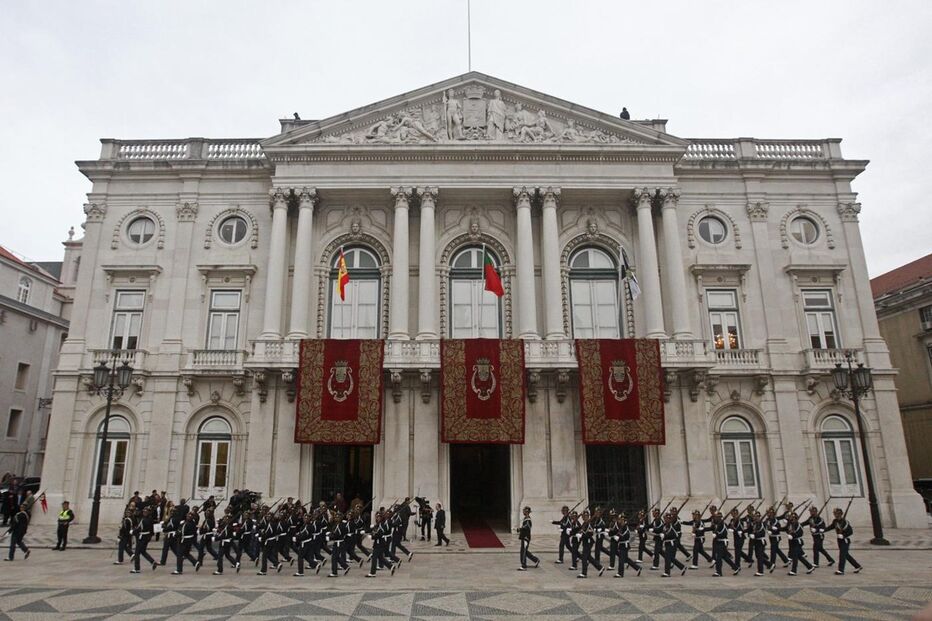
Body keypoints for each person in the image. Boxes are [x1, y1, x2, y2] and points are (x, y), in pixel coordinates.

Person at [831, 507, 862, 575]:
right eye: (835, 513)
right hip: (839, 540)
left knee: (842, 555)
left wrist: (843, 535)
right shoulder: (835, 521)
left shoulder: (845, 522)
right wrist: (821, 530)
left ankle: (841, 570)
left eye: (837, 513)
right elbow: (830, 527)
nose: (835, 515)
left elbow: (850, 532)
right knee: (846, 555)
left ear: (840, 514)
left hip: (845, 540)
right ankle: (857, 566)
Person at [575, 511, 604, 578]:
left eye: (585, 516)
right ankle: (600, 567)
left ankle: (584, 573)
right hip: (585, 542)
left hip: (588, 542)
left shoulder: (589, 524)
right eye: (583, 517)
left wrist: (581, 536)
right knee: (589, 557)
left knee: (584, 557)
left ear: (588, 516)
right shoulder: (584, 523)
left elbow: (590, 534)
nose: (584, 518)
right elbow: (580, 530)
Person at [611, 514, 641, 578]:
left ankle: (620, 573)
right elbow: (615, 532)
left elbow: (626, 536)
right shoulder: (621, 527)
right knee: (626, 559)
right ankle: (637, 568)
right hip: (621, 545)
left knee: (621, 559)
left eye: (620, 520)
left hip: (624, 545)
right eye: (619, 520)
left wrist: (619, 538)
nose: (619, 521)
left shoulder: (625, 527)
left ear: (623, 520)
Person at [710, 512, 740, 577]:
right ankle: (736, 567)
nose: (716, 518)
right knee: (725, 557)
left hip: (722, 542)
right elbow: (712, 529)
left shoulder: (723, 524)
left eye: (718, 517)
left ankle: (719, 572)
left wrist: (717, 534)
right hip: (719, 542)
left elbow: (724, 534)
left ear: (720, 518)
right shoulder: (719, 524)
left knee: (718, 557)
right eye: (716, 517)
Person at [131, 507, 158, 573]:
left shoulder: (143, 520)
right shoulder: (150, 519)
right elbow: (152, 530)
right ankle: (152, 561)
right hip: (146, 537)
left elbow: (139, 528)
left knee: (137, 553)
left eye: (145, 512)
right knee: (143, 551)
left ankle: (137, 568)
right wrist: (150, 536)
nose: (144, 513)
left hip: (142, 537)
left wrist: (132, 532)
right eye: (144, 512)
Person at [661, 513, 688, 577]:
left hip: (672, 544)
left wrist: (665, 535)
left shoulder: (672, 526)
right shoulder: (665, 525)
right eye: (665, 518)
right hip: (667, 543)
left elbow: (675, 535)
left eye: (667, 519)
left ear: (670, 520)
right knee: (671, 558)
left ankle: (667, 572)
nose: (665, 520)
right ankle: (682, 567)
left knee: (667, 558)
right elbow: (661, 530)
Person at [516, 506, 539, 570]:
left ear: (526, 512)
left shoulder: (528, 520)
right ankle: (536, 560)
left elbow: (526, 528)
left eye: (524, 511)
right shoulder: (526, 518)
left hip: (526, 537)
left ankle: (524, 566)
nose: (523, 512)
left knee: (523, 552)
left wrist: (519, 529)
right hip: (524, 537)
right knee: (524, 551)